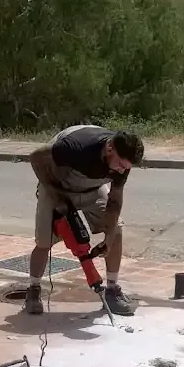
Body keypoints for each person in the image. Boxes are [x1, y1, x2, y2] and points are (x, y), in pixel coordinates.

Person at [25, 125, 145, 317]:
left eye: (125, 168)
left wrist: (109, 236)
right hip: (57, 183)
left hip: (91, 189)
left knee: (117, 231)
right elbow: (35, 158)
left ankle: (112, 290)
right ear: (109, 149)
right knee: (43, 242)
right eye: (120, 165)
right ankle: (33, 291)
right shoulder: (74, 147)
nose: (122, 170)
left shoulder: (123, 163)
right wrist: (55, 194)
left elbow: (115, 200)